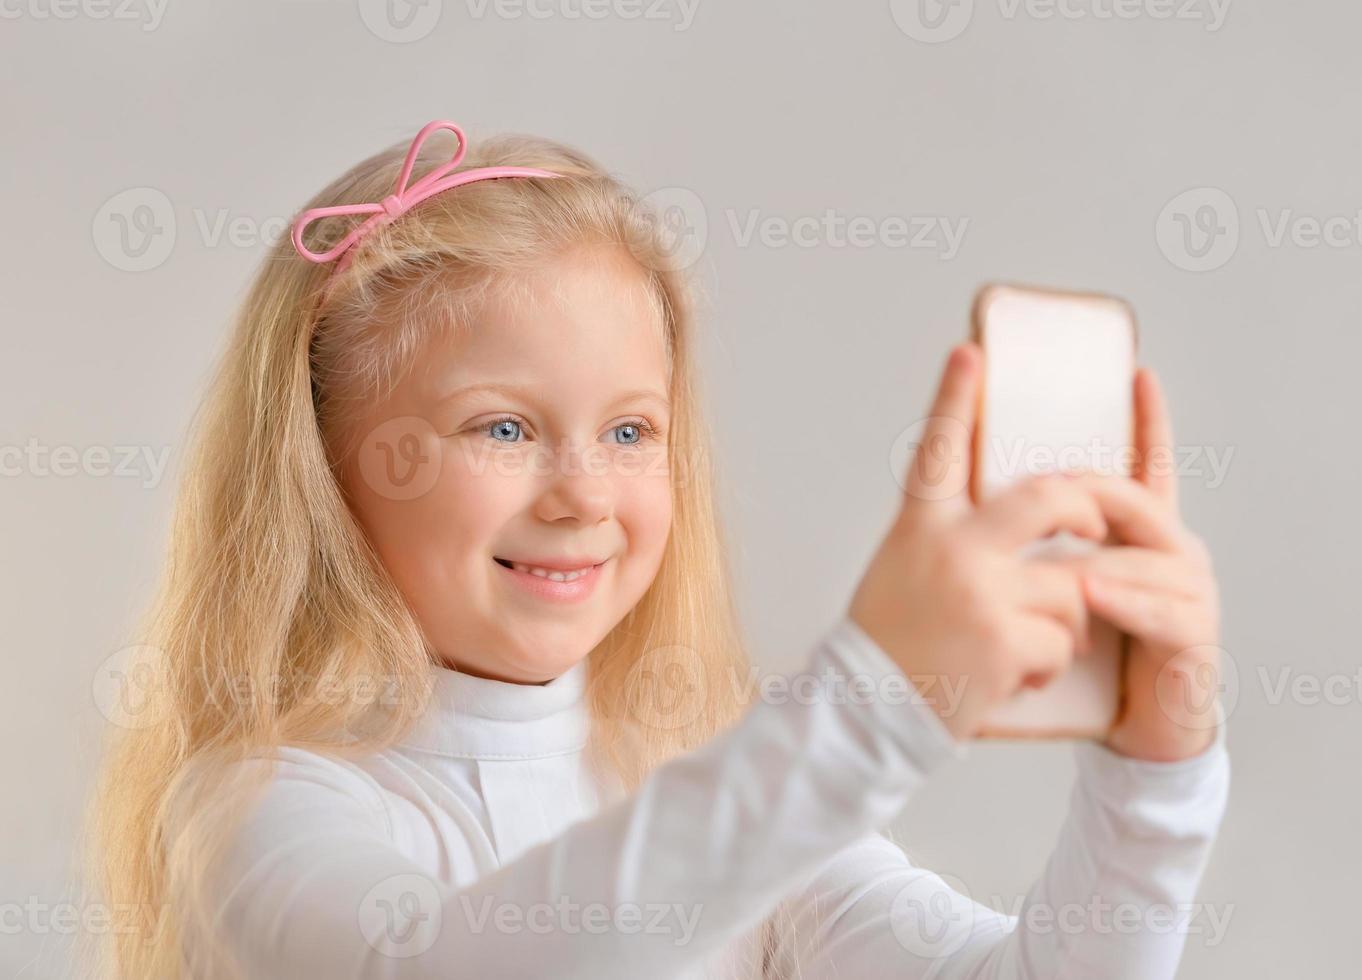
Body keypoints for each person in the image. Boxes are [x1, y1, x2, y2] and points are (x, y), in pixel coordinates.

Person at [86, 119, 1230, 979]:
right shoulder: (255, 811)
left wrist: (1156, 780)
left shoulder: (696, 781)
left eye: (631, 429)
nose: (584, 489)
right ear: (326, 465)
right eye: (503, 426)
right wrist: (872, 701)